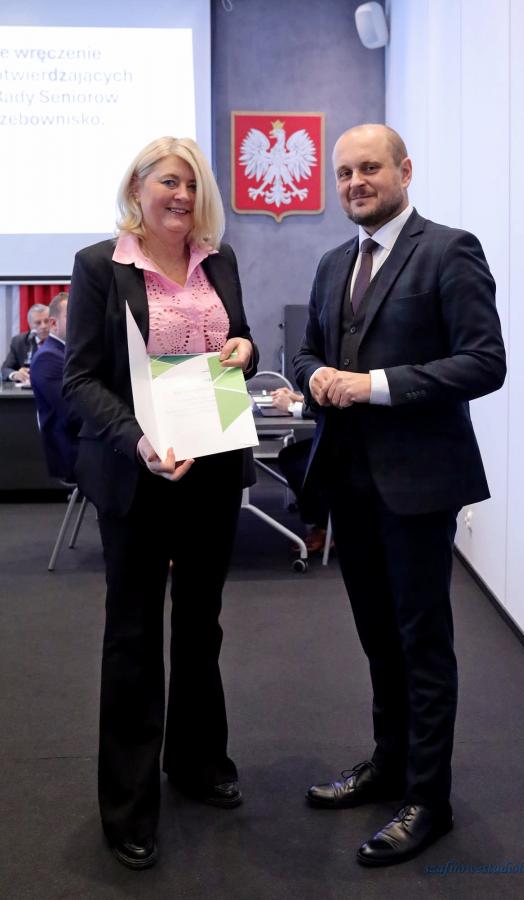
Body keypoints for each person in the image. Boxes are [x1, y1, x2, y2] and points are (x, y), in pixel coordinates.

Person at [294, 124, 506, 867]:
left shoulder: (449, 250)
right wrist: (316, 375)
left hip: (419, 485)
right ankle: (389, 764)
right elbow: (307, 351)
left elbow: (485, 362)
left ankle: (428, 799)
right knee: (378, 639)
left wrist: (374, 386)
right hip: (349, 482)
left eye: (370, 168)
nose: (355, 182)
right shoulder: (332, 263)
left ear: (404, 171)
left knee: (423, 643)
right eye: (344, 172)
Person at [63, 136, 258, 870]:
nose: (182, 195)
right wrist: (137, 441)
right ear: (138, 188)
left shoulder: (219, 260)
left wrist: (246, 351)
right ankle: (128, 804)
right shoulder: (100, 266)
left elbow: (237, 343)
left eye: (193, 184)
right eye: (170, 182)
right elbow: (81, 379)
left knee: (202, 624)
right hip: (139, 471)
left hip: (214, 468)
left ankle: (198, 763)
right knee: (135, 635)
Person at [29, 292, 81, 481]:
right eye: (72, 315)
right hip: (74, 451)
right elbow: (73, 413)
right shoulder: (48, 358)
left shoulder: (67, 352)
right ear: (53, 323)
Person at [270, 387, 329, 552]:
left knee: (296, 461)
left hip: (354, 445)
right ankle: (319, 522)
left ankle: (324, 526)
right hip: (345, 438)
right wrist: (297, 398)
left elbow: (338, 408)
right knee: (290, 456)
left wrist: (291, 406)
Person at [1, 303, 50, 382]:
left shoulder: (62, 339)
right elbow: (5, 369)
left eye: (46, 321)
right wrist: (15, 374)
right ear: (30, 325)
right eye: (38, 323)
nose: (43, 326)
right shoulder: (19, 342)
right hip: (28, 387)